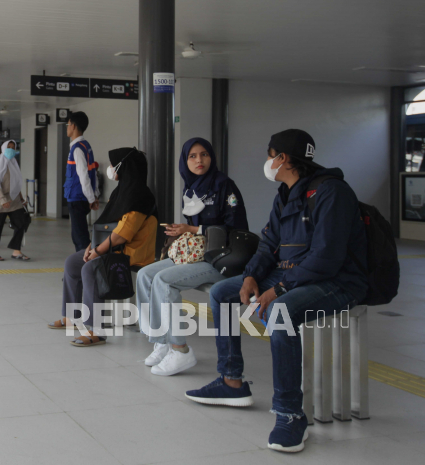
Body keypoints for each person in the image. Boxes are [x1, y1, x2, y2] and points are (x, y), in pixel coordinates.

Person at [186, 130, 368, 453]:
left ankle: (290, 413)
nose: (267, 162)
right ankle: (231, 381)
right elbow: (269, 244)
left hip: (336, 281)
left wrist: (280, 288)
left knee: (278, 312)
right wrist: (252, 277)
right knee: (222, 293)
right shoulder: (285, 193)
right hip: (292, 275)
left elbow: (326, 258)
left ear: (282, 159)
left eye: (270, 155)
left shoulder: (332, 193)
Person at [136, 138, 249, 376]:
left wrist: (192, 230)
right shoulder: (191, 188)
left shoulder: (224, 186)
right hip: (198, 255)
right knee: (146, 274)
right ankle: (163, 342)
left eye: (204, 154)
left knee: (165, 280)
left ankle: (180, 350)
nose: (199, 160)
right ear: (185, 161)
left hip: (222, 259)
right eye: (193, 156)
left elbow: (237, 228)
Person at [48, 147, 158, 346]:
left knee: (92, 267)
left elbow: (123, 234)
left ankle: (95, 330)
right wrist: (92, 246)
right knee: (73, 262)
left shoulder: (140, 195)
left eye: (112, 164)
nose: (109, 168)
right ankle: (72, 316)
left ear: (123, 166)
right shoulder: (121, 191)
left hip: (132, 252)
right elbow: (103, 224)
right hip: (113, 248)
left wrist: (97, 252)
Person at [0, 140, 30, 261]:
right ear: (3, 148)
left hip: (14, 199)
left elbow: (16, 183)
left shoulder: (14, 163)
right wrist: (2, 199)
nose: (11, 149)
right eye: (8, 147)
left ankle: (16, 251)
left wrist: (21, 198)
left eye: (13, 147)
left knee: (21, 223)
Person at [63, 111, 100, 252]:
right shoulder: (86, 146)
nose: (67, 127)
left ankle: (84, 268)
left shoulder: (77, 149)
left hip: (77, 197)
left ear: (73, 126)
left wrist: (91, 197)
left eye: (68, 124)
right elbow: (93, 172)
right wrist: (94, 194)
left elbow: (84, 175)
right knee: (80, 234)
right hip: (82, 197)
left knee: (80, 238)